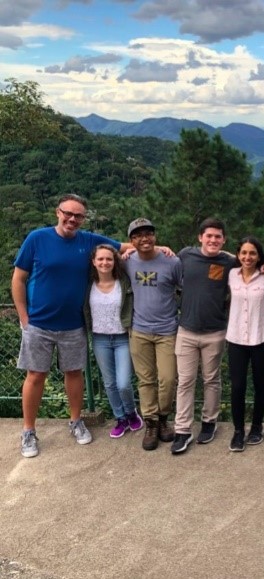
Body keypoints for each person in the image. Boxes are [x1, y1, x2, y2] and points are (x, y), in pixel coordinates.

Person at [12, 194, 130, 458]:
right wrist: (23, 317)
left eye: (78, 216)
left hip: (74, 324)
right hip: (39, 323)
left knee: (74, 373)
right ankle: (28, 431)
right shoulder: (37, 238)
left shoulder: (88, 241)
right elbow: (18, 279)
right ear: (58, 212)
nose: (73, 219)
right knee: (35, 376)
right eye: (69, 213)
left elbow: (125, 247)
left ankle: (76, 421)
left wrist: (160, 249)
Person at [171, 218, 236, 455]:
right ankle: (183, 430)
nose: (213, 240)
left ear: (223, 240)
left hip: (215, 332)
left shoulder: (228, 262)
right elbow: (163, 259)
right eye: (209, 236)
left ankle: (209, 422)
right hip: (186, 330)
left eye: (218, 236)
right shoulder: (185, 256)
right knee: (185, 382)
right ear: (200, 237)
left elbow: (252, 261)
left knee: (211, 379)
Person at [125, 218, 182, 451]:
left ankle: (164, 418)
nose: (144, 238)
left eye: (148, 233)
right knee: (146, 380)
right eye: (138, 235)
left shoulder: (172, 261)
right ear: (131, 241)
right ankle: (151, 423)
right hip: (139, 330)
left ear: (155, 236)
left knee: (168, 379)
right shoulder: (126, 262)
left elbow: (185, 287)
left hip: (167, 330)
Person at [84, 244, 143, 439]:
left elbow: (140, 251)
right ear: (94, 262)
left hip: (122, 337)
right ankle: (120, 418)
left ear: (114, 261)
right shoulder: (87, 284)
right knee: (109, 383)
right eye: (100, 259)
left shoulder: (124, 282)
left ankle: (131, 412)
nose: (104, 262)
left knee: (124, 382)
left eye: (109, 259)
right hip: (100, 338)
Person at [226, 236, 264, 452]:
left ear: (259, 255)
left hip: (261, 338)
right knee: (238, 387)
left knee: (260, 384)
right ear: (238, 255)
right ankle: (238, 431)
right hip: (236, 338)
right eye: (244, 253)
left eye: (252, 253)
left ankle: (257, 426)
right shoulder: (231, 275)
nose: (248, 257)